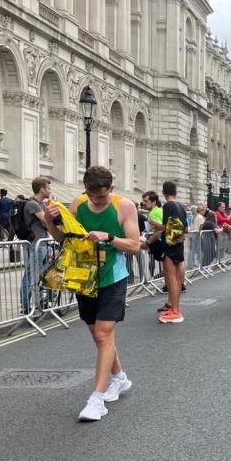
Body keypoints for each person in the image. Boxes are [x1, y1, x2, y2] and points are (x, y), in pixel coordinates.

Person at [40, 166, 140, 421]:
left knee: (104, 333)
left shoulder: (124, 206)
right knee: (97, 336)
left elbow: (134, 245)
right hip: (85, 278)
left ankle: (96, 400)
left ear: (111, 190)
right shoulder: (79, 204)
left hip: (113, 278)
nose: (96, 200)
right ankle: (119, 378)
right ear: (85, 189)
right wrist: (51, 219)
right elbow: (64, 238)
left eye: (102, 196)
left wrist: (108, 238)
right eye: (92, 195)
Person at [152, 181, 187, 324]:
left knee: (171, 278)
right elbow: (186, 229)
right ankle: (174, 307)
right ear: (176, 192)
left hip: (169, 245)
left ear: (164, 192)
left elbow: (166, 228)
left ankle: (175, 311)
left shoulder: (167, 206)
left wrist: (156, 225)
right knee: (177, 278)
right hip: (179, 244)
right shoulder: (181, 207)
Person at [20, 178, 52, 314]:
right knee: (30, 275)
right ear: (42, 190)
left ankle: (37, 303)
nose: (50, 191)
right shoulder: (32, 204)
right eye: (48, 188)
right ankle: (26, 306)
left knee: (40, 275)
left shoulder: (40, 204)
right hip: (35, 245)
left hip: (42, 244)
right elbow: (46, 221)